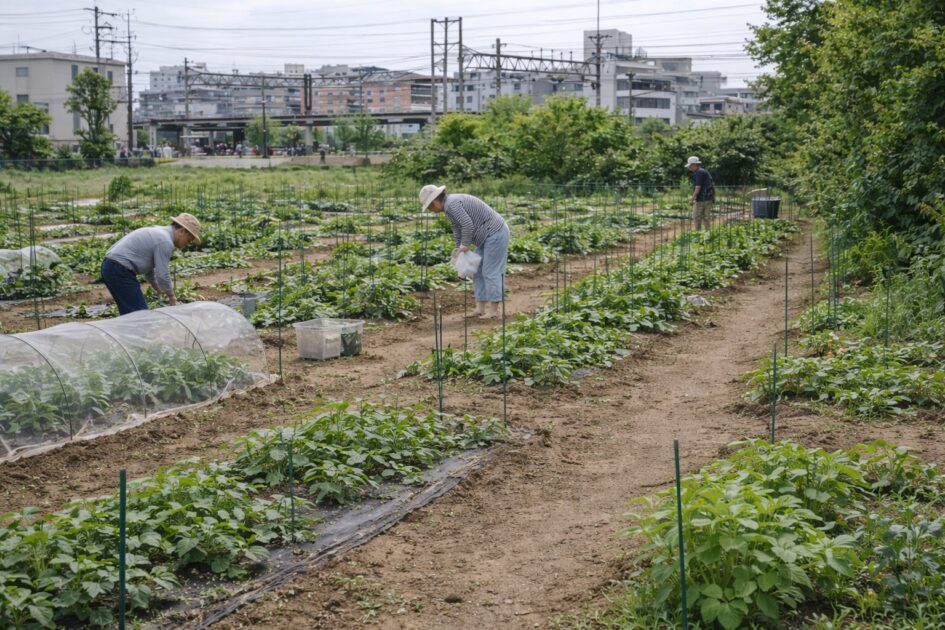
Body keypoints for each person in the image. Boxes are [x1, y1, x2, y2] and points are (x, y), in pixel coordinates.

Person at [419, 185, 509, 319]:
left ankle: (493, 311)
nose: (431, 210)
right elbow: (457, 228)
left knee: (490, 271)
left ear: (436, 201)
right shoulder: (449, 207)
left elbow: (467, 224)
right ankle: (480, 309)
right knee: (477, 271)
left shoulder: (452, 204)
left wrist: (465, 245)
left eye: (430, 207)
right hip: (486, 236)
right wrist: (457, 249)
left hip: (495, 233)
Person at [101, 213, 201, 315]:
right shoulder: (165, 241)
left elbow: (149, 271)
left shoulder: (159, 233)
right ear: (182, 231)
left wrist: (158, 289)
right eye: (188, 240)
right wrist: (171, 296)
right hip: (119, 269)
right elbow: (162, 274)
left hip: (110, 266)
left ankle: (126, 330)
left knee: (129, 313)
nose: (186, 244)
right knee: (140, 315)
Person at [687, 156, 715, 231]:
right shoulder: (703, 171)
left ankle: (698, 234)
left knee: (696, 217)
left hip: (702, 199)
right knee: (706, 217)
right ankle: (707, 234)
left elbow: (697, 188)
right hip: (708, 198)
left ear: (694, 164)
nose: (689, 168)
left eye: (689, 166)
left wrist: (692, 199)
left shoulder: (698, 173)